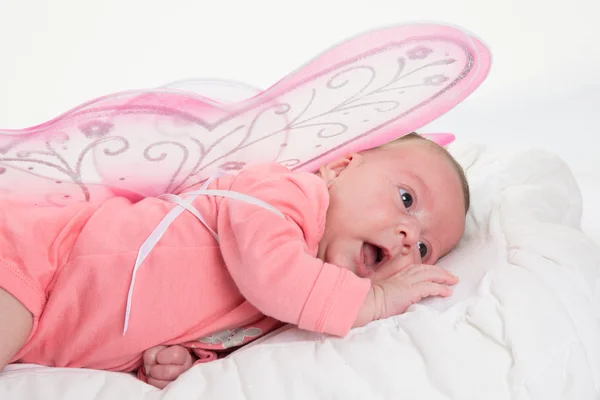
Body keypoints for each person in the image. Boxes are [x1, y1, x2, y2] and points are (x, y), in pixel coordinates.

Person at [0, 132, 469, 389]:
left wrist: (180, 357)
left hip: (50, 332)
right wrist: (377, 299)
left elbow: (206, 315)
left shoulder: (291, 306)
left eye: (425, 249)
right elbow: (271, 274)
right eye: (406, 198)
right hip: (36, 262)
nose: (410, 239)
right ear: (341, 168)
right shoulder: (282, 194)